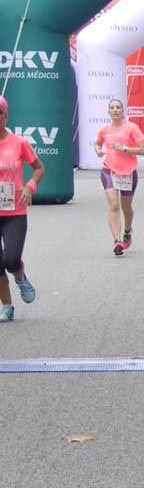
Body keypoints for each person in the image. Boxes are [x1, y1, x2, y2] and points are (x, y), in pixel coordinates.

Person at [0, 96, 46, 322]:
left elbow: (38, 168)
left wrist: (30, 186)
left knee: (10, 259)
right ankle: (6, 307)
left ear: (5, 116)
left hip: (14, 212)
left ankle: (19, 277)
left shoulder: (19, 143)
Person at [94, 100, 144, 256]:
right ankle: (117, 241)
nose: (115, 110)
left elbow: (143, 150)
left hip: (128, 172)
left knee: (126, 208)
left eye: (118, 107)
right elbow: (98, 143)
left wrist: (124, 149)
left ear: (123, 111)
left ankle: (127, 231)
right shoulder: (105, 130)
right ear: (109, 112)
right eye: (112, 108)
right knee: (113, 205)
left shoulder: (132, 128)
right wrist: (98, 150)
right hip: (108, 170)